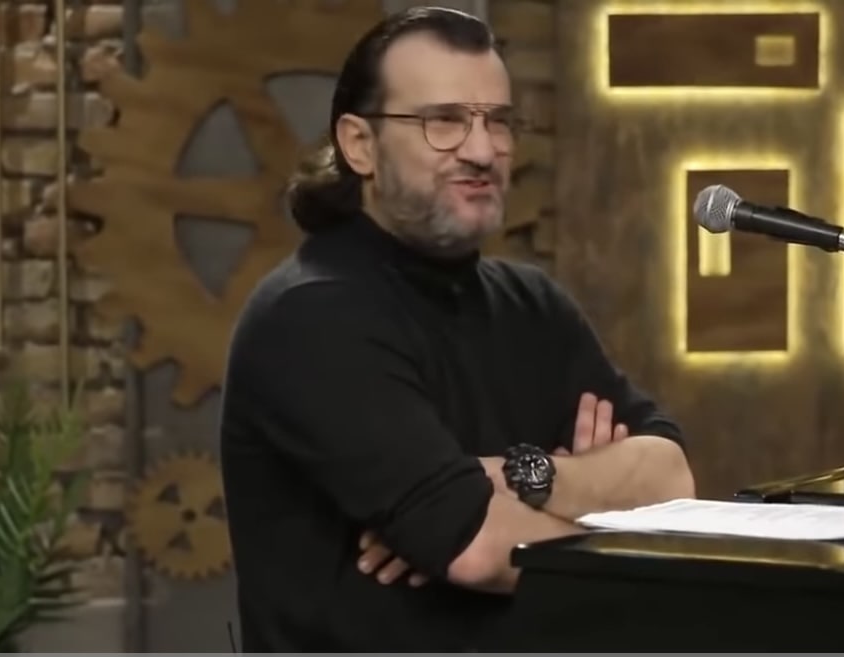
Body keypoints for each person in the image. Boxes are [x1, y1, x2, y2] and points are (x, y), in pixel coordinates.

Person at [219, 5, 694, 652]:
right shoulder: (309, 316)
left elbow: (672, 479)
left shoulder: (533, 305)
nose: (481, 150)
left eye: (498, 121)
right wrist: (608, 506)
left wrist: (516, 482)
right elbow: (480, 550)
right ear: (360, 144)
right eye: (442, 121)